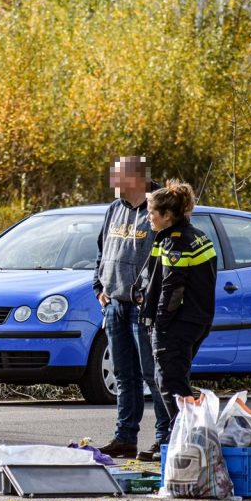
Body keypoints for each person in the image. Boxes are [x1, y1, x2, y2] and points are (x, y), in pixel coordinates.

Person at [93, 156, 168, 461]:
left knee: (154, 375)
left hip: (143, 309)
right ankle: (125, 438)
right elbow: (102, 252)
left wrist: (151, 295)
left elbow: (166, 259)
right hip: (114, 305)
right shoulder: (114, 209)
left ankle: (165, 438)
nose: (112, 181)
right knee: (125, 376)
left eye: (117, 175)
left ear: (136, 178)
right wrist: (99, 287)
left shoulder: (158, 209)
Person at [137, 180, 216, 439]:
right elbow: (157, 276)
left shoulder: (177, 242)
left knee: (169, 381)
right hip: (196, 320)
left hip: (178, 324)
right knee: (176, 378)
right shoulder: (191, 236)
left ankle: (185, 439)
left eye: (151, 212)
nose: (148, 217)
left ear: (167, 215)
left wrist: (160, 324)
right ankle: (186, 436)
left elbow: (173, 289)